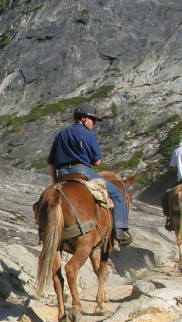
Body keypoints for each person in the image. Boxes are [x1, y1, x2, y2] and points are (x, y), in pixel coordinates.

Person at [47, 103, 132, 246]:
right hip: (82, 171)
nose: (94, 123)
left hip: (62, 174)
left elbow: (51, 162)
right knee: (117, 193)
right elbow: (97, 162)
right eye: (92, 119)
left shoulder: (61, 133)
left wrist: (55, 181)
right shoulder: (88, 134)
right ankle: (119, 231)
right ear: (83, 118)